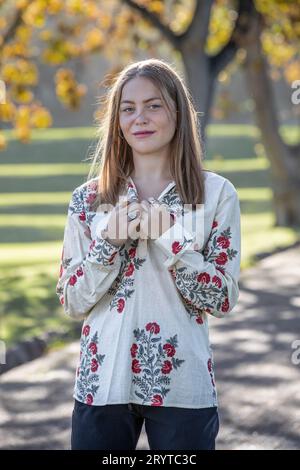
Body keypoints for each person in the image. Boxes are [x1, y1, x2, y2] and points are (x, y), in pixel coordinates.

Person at [56, 58, 241, 450]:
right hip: (102, 382)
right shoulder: (88, 200)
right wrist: (110, 243)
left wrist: (170, 237)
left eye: (153, 105)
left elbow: (222, 298)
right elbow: (72, 300)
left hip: (183, 383)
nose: (140, 117)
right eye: (128, 108)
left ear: (178, 113)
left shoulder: (215, 194)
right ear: (117, 121)